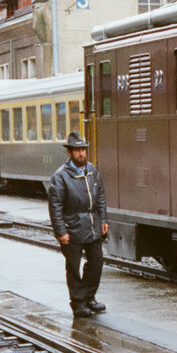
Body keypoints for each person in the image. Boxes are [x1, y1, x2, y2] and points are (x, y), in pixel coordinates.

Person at [48, 131, 108, 317]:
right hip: (72, 227)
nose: (81, 154)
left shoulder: (92, 170)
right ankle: (78, 303)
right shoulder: (60, 176)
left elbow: (101, 197)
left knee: (96, 263)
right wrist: (61, 231)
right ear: (69, 153)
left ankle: (89, 298)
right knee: (73, 267)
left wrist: (104, 219)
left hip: (92, 225)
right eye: (77, 151)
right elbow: (55, 207)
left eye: (83, 150)